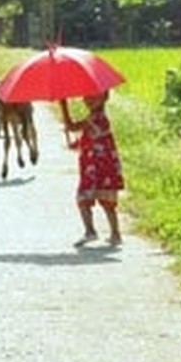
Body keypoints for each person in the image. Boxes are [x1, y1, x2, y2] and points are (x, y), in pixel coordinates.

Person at [61, 91, 124, 247]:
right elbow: (86, 135)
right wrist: (76, 144)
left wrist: (64, 107)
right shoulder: (94, 117)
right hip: (97, 166)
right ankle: (112, 233)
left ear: (104, 98)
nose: (87, 99)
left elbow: (74, 127)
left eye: (92, 97)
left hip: (99, 166)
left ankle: (93, 231)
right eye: (86, 96)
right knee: (102, 200)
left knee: (88, 199)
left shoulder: (98, 118)